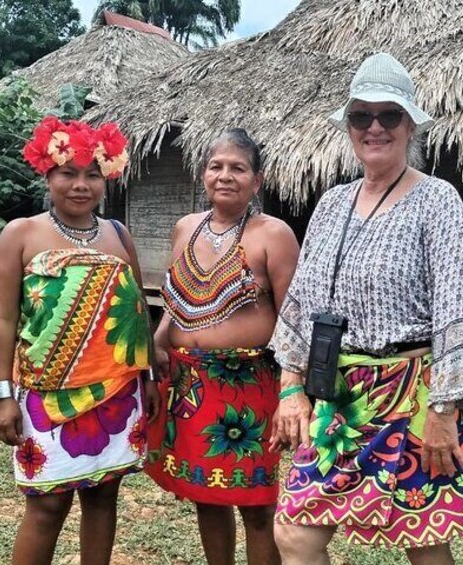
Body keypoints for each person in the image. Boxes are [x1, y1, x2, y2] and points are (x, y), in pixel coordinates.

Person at [269, 52, 463, 565]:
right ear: (348, 127)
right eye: (361, 116)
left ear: (410, 125)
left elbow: (457, 307)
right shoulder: (331, 203)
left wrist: (444, 410)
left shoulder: (437, 199)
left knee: (423, 537)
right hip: (338, 392)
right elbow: (303, 300)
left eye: (389, 115)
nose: (375, 127)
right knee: (295, 532)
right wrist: (291, 388)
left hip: (413, 392)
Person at [0, 116, 159, 565]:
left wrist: (151, 380)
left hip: (119, 394)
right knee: (46, 506)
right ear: (48, 174)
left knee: (103, 499)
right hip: (46, 399)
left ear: (107, 177)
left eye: (92, 175)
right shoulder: (20, 235)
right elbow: (2, 321)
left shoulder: (119, 235)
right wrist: (3, 397)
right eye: (68, 173)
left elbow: (136, 311)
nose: (80, 185)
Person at [145, 128, 299, 565]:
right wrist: (157, 344)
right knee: (206, 495)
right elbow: (178, 300)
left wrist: (293, 389)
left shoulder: (274, 234)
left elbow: (294, 318)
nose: (225, 176)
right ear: (203, 174)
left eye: (238, 168)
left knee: (256, 503)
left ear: (258, 180)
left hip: (247, 387)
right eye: (216, 166)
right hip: (187, 382)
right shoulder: (184, 229)